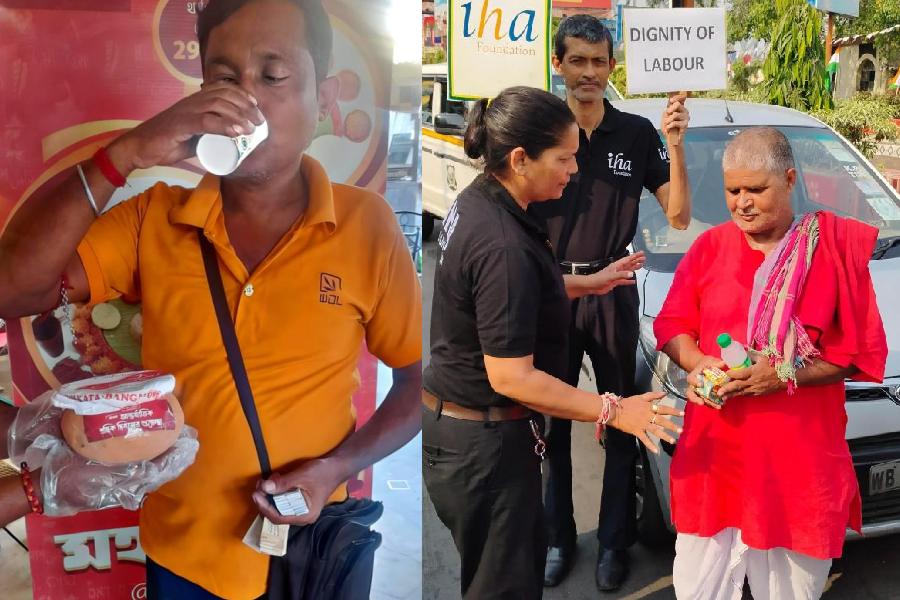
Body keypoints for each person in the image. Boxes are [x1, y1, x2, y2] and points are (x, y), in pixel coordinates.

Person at [0, 0, 422, 597]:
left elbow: (412, 384)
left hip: (313, 552)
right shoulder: (155, 220)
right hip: (186, 558)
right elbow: (14, 288)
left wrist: (339, 466)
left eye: (273, 76)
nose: (244, 100)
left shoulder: (367, 226)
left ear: (322, 98)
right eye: (224, 78)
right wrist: (127, 153)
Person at [423, 85, 683, 600]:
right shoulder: (502, 243)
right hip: (483, 446)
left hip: (463, 431)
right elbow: (512, 376)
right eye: (564, 158)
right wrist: (614, 410)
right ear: (521, 159)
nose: (574, 169)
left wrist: (590, 282)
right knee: (504, 586)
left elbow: (517, 290)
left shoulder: (484, 202)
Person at [654, 127, 887, 599]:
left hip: (795, 467)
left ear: (789, 179)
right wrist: (698, 363)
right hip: (716, 461)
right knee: (699, 588)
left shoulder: (832, 249)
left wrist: (781, 375)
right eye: (732, 190)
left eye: (755, 189)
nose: (742, 202)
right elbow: (672, 324)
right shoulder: (710, 248)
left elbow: (854, 356)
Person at [531, 15, 692, 591]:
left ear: (612, 67)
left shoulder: (635, 132)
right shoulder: (542, 129)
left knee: (623, 421)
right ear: (560, 64)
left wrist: (674, 145)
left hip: (614, 293)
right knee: (551, 420)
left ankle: (613, 545)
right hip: (552, 292)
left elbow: (677, 214)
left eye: (599, 62)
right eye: (578, 61)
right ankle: (556, 538)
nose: (590, 73)